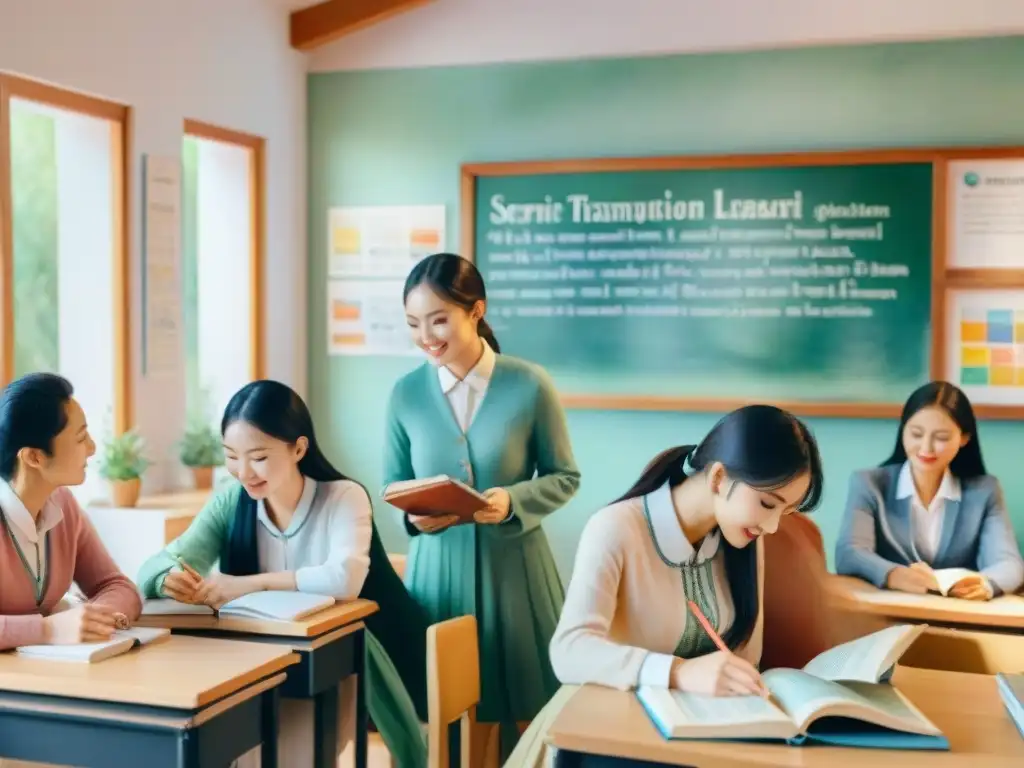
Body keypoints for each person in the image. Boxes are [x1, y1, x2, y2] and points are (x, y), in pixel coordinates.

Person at [503, 405, 823, 768]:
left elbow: (746, 658)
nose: (773, 526)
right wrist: (678, 672)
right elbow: (569, 651)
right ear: (718, 478)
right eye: (768, 503)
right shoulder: (616, 528)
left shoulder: (745, 542)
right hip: (601, 738)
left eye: (786, 511)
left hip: (690, 739)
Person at [136, 380, 429, 768]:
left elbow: (344, 580)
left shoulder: (343, 497)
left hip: (361, 655)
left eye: (258, 457)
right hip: (269, 661)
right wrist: (166, 577)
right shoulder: (231, 500)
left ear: (299, 448)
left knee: (298, 753)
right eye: (231, 456)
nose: (243, 472)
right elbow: (157, 564)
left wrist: (248, 584)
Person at [384, 252, 580, 760]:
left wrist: (511, 499)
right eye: (413, 323)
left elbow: (565, 477)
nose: (426, 335)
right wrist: (413, 515)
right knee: (444, 716)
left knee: (530, 710)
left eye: (439, 319)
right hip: (436, 576)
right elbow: (393, 486)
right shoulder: (404, 394)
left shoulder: (530, 384)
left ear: (476, 311)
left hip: (515, 573)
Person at [835, 381, 1024, 599]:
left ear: (964, 438)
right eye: (916, 434)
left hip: (956, 616)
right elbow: (849, 553)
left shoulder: (984, 490)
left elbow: (1009, 563)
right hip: (887, 615)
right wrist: (895, 575)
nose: (926, 448)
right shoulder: (869, 483)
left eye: (941, 438)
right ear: (903, 430)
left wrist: (986, 584)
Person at [0, 373, 141, 651]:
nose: (92, 448)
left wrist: (93, 618)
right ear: (34, 457)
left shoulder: (63, 503)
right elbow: (52, 629)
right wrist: (47, 629)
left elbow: (118, 587)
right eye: (80, 438)